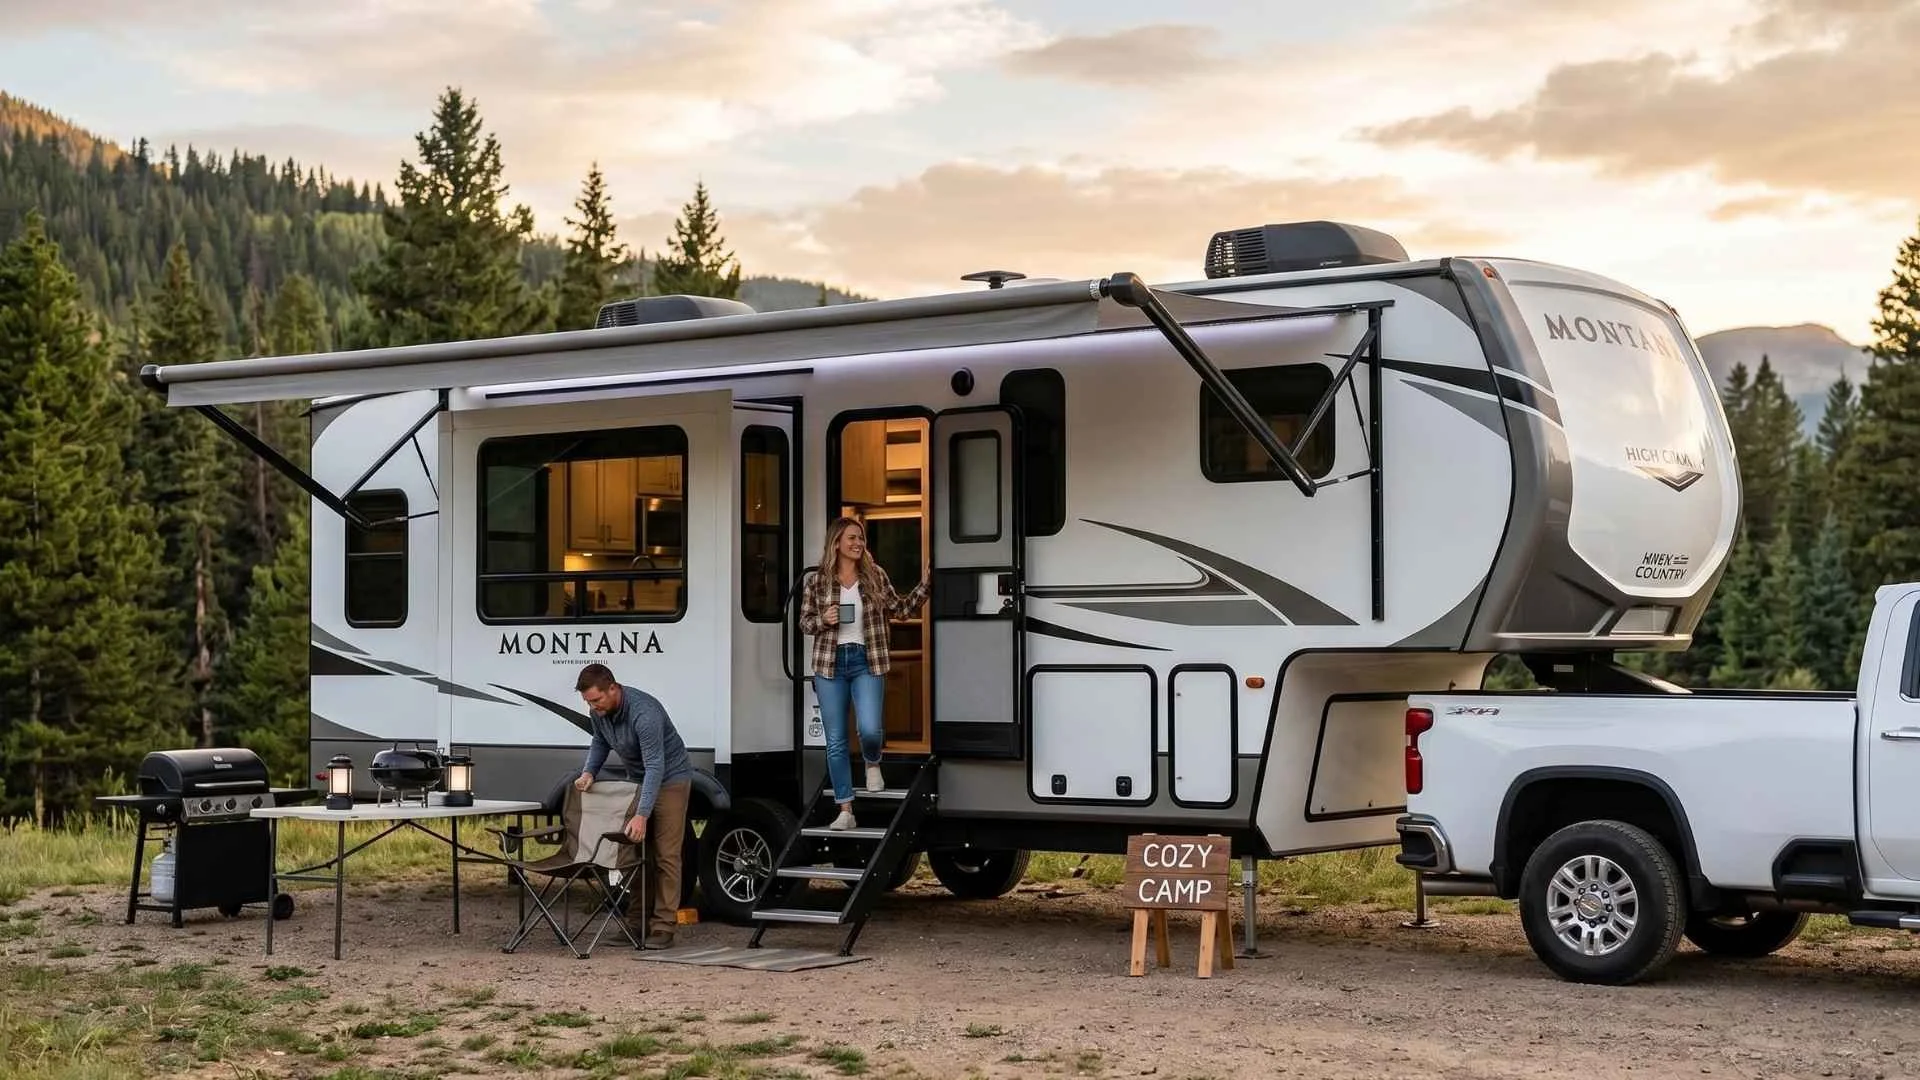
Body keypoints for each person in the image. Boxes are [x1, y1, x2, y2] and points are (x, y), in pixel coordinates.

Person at [797, 516, 930, 830]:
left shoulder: (875, 576)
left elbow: (900, 610)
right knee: (836, 741)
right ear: (837, 544)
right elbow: (805, 623)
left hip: (867, 660)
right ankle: (845, 809)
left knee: (870, 730)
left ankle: (873, 762)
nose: (858, 544)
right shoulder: (817, 581)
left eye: (861, 539)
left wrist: (925, 585)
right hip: (830, 665)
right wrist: (824, 619)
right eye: (852, 539)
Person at [574, 662, 692, 949]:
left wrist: (642, 814)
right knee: (636, 853)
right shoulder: (599, 710)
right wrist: (589, 772)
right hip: (638, 781)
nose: (593, 707)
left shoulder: (644, 713)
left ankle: (664, 927)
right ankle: (636, 923)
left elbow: (655, 767)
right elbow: (600, 741)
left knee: (666, 856)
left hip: (671, 780)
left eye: (597, 700)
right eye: (588, 702)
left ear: (613, 688)